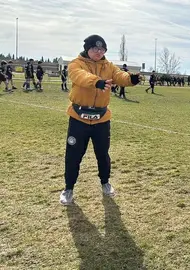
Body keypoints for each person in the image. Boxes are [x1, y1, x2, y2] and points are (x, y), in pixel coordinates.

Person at [59, 34, 141, 205]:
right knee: (73, 156)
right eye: (95, 48)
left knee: (103, 154)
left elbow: (119, 76)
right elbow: (79, 76)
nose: (98, 51)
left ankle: (105, 182)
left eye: (102, 49)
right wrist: (97, 82)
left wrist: (130, 79)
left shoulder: (108, 66)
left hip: (101, 119)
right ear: (87, 48)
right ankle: (68, 189)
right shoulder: (76, 64)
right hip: (78, 118)